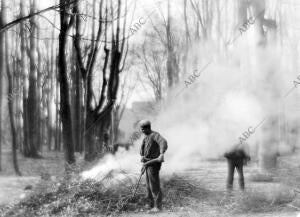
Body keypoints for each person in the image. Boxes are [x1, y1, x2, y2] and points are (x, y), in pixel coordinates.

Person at [139, 120, 168, 213]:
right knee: (148, 185)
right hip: (147, 163)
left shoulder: (155, 135)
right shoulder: (146, 137)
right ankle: (150, 204)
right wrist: (143, 157)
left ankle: (158, 207)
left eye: (143, 129)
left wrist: (161, 153)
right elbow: (142, 151)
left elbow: (163, 142)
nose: (142, 131)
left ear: (148, 128)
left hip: (153, 164)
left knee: (154, 185)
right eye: (141, 129)